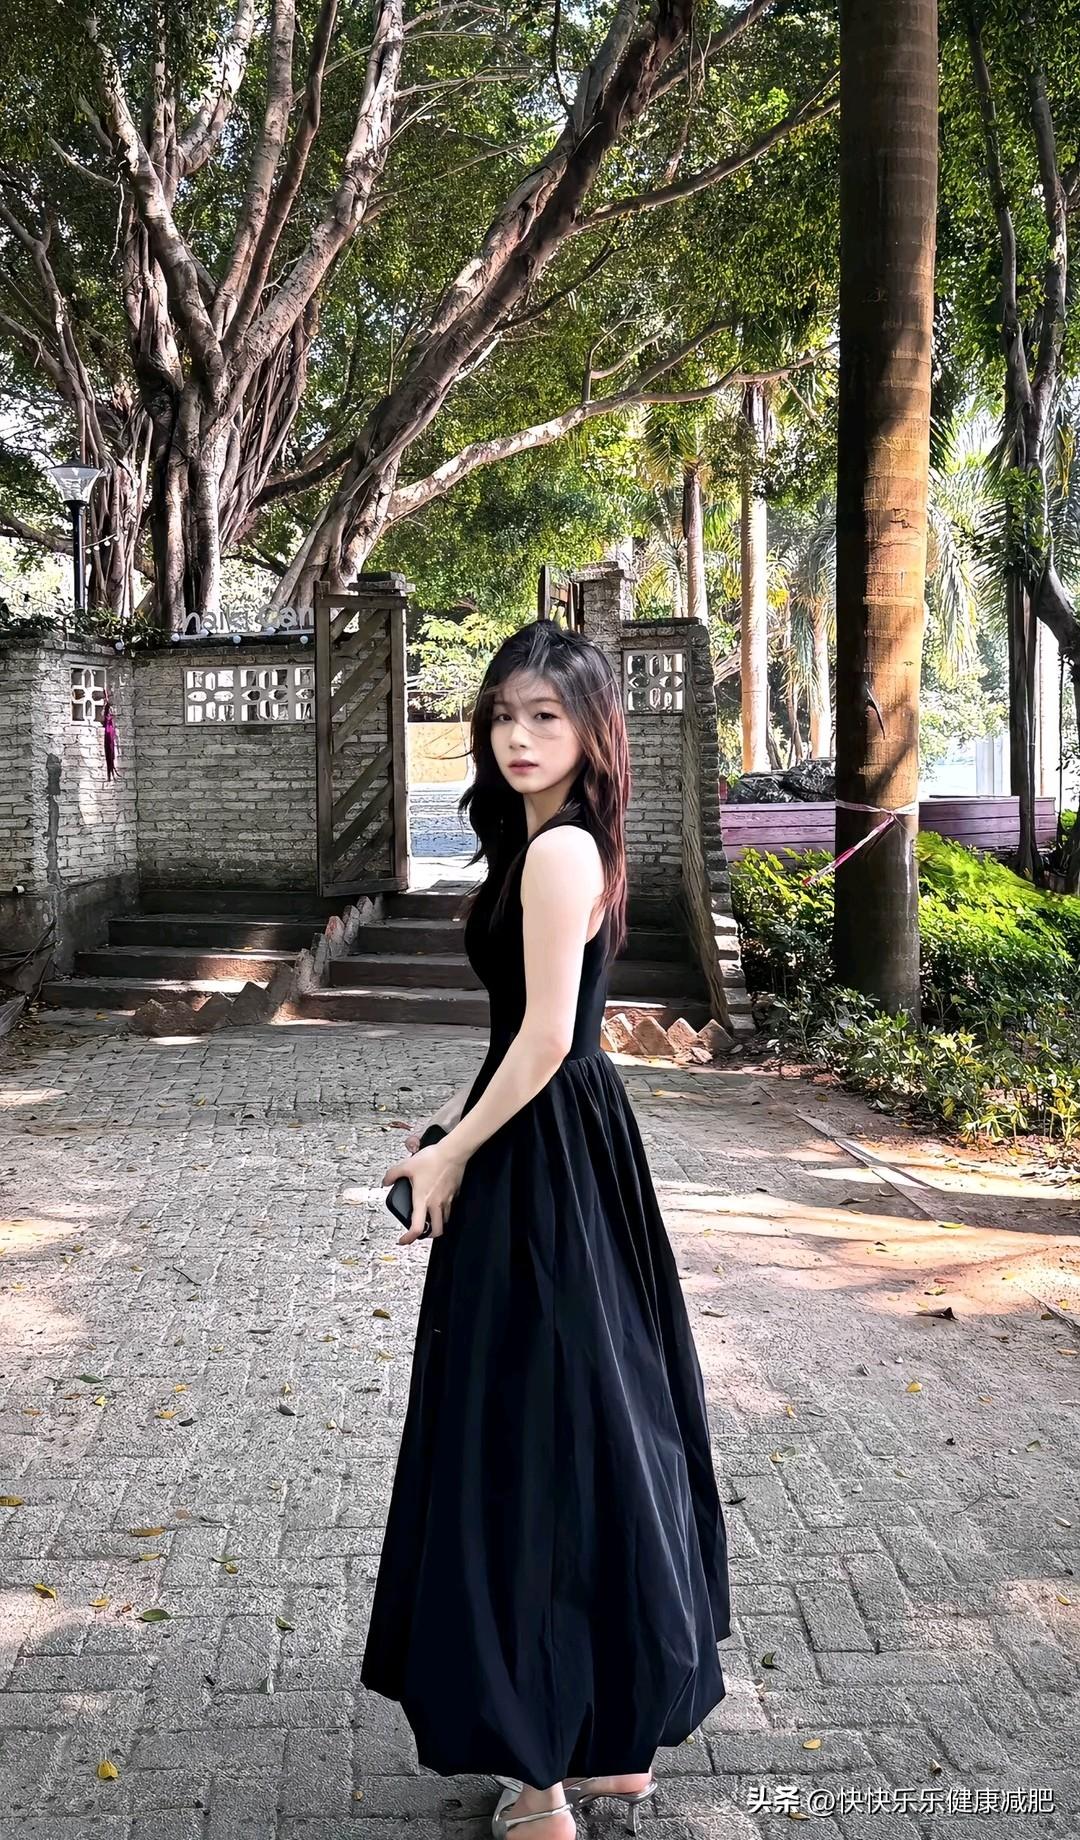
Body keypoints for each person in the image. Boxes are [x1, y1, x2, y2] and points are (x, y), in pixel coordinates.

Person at [362, 619, 731, 1838]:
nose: (518, 737)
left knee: (532, 1436)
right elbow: (523, 1039)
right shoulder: (551, 838)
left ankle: (541, 1787)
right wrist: (452, 1130)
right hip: (557, 1143)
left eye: (546, 717)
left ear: (590, 731)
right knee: (587, 1416)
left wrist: (453, 1151)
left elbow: (547, 1038)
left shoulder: (562, 849)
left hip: (547, 1156)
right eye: (503, 715)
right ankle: (608, 1742)